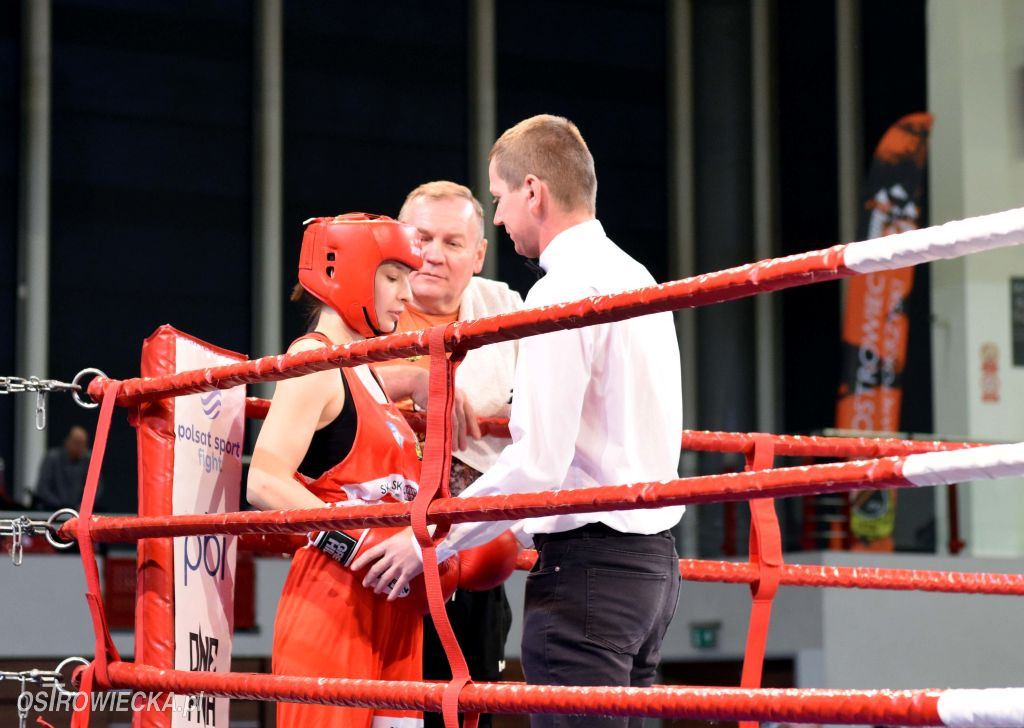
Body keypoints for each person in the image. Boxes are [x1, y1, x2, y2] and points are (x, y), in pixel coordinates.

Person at [353, 115, 684, 728]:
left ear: (533, 192)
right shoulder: (636, 276)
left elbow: (537, 464)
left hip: (590, 573)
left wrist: (430, 539)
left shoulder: (558, 293)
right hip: (652, 570)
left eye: (501, 199)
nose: (501, 218)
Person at [246, 213, 426, 728]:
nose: (406, 295)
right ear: (348, 273)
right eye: (392, 277)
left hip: (393, 604)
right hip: (335, 603)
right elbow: (263, 480)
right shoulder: (315, 361)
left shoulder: (365, 373)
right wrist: (358, 538)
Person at [374, 181, 521, 728]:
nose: (433, 254)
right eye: (421, 237)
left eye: (453, 242)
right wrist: (412, 378)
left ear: (479, 254)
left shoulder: (511, 314)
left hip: (471, 539)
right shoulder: (367, 299)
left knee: (465, 704)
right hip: (378, 538)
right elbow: (322, 383)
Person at [33, 425, 94, 511]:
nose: (80, 447)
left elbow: (96, 488)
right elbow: (42, 488)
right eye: (77, 443)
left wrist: (83, 504)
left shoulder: (88, 460)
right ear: (67, 441)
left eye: (83, 444)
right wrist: (61, 507)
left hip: (78, 511)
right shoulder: (52, 458)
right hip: (51, 511)